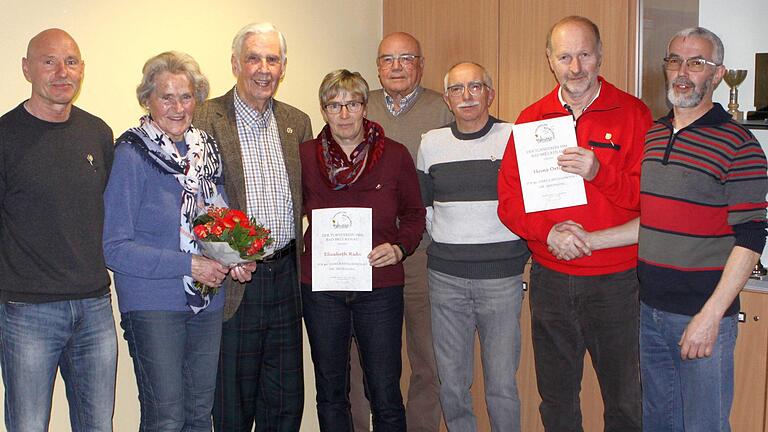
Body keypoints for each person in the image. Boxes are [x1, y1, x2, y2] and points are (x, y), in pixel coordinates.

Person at [497, 16, 652, 431]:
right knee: (557, 398)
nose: (576, 67)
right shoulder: (531, 119)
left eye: (584, 54)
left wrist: (600, 170)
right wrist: (547, 234)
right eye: (565, 56)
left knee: (624, 398)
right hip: (551, 278)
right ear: (550, 61)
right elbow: (510, 202)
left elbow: (649, 204)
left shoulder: (635, 115)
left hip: (617, 282)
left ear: (600, 56)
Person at [102, 51, 254, 431]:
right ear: (147, 100)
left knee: (200, 416)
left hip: (206, 300)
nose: (177, 106)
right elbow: (114, 247)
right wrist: (187, 264)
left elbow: (214, 220)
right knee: (166, 418)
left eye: (185, 97)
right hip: (153, 304)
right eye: (166, 97)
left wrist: (235, 257)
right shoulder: (132, 154)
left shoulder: (205, 151)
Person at [637, 27, 767, 431]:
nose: (681, 71)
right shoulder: (654, 134)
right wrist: (589, 238)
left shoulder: (739, 143)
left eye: (696, 63)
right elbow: (652, 221)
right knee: (658, 421)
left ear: (717, 74)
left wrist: (710, 316)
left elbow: (751, 235)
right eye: (674, 60)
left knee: (703, 425)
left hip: (701, 315)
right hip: (648, 312)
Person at [194, 22, 313, 432]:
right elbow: (195, 201)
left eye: (273, 59)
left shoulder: (298, 123)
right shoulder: (204, 116)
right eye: (253, 58)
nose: (264, 68)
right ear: (234, 64)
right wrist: (231, 255)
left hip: (286, 278)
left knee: (285, 401)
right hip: (234, 281)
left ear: (283, 67)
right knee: (231, 402)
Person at [0, 28, 117, 431]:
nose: (61, 72)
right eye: (48, 61)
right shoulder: (4, 136)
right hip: (27, 312)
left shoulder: (99, 134)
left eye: (70, 61)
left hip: (95, 308)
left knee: (98, 425)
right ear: (26, 68)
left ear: (81, 69)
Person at [300, 69, 425, 432]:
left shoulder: (396, 155)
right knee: (331, 390)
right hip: (322, 289)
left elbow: (415, 214)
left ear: (364, 107)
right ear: (323, 110)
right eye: (334, 105)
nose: (343, 114)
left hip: (380, 288)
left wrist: (400, 249)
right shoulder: (305, 156)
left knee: (385, 391)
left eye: (351, 104)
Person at [417, 62, 529, 431]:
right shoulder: (431, 142)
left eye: (475, 87)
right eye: (457, 89)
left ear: (490, 94)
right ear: (447, 99)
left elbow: (532, 203)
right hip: (446, 279)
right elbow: (426, 209)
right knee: (452, 385)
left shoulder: (514, 137)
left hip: (502, 280)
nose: (466, 96)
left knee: (501, 386)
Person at [360, 31, 453, 432]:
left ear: (421, 64)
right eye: (387, 59)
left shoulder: (442, 108)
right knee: (362, 358)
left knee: (426, 359)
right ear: (377, 66)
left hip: (422, 254)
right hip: (365, 256)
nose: (396, 67)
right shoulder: (360, 107)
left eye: (406, 58)